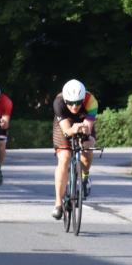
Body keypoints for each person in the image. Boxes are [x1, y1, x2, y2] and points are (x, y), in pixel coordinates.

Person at [51, 79, 98, 219]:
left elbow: (88, 128)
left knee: (88, 147)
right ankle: (58, 203)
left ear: (83, 99)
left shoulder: (91, 101)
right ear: (65, 100)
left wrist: (86, 136)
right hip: (65, 124)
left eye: (78, 102)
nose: (74, 106)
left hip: (83, 122)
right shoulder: (58, 103)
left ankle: (85, 175)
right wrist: (73, 129)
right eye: (70, 103)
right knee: (64, 157)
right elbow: (66, 131)